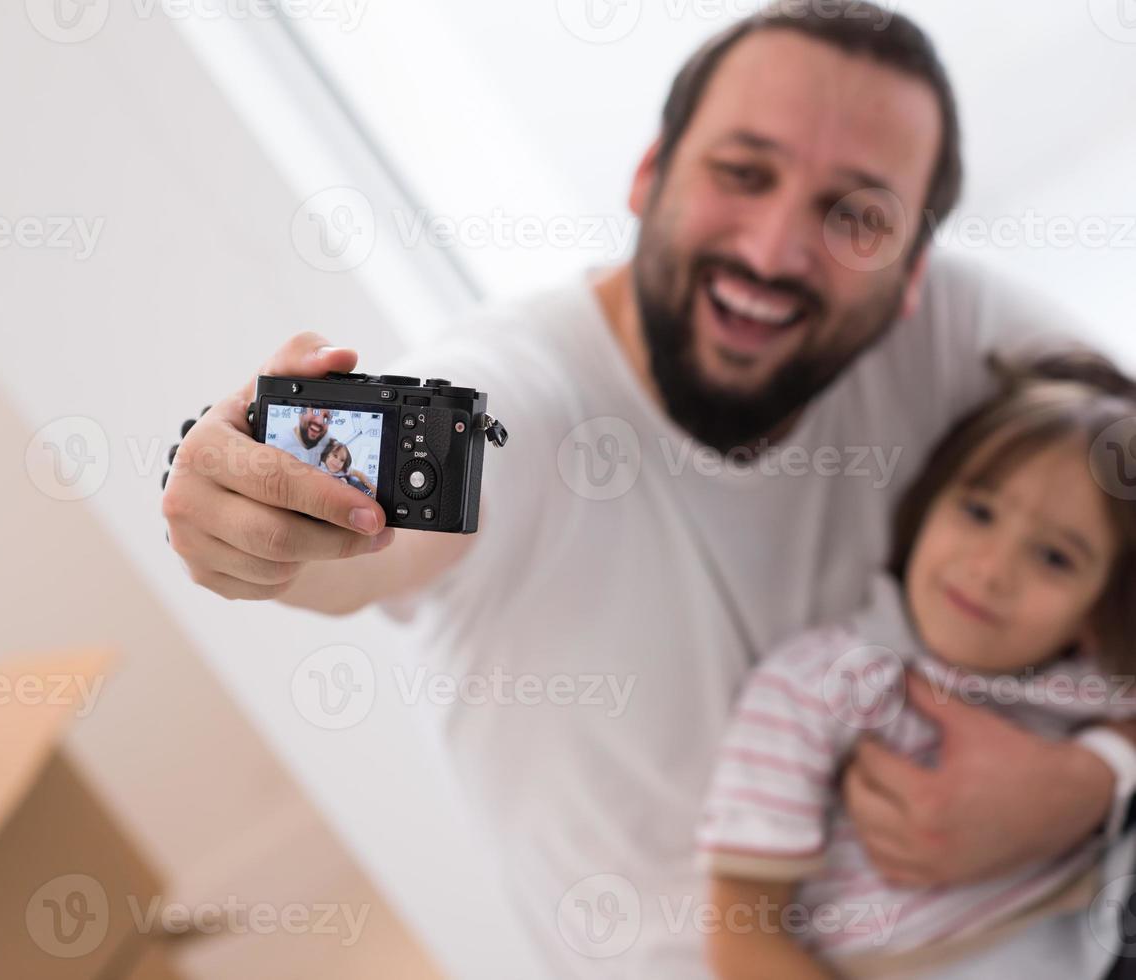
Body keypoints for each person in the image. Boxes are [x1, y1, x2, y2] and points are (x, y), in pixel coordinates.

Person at [162, 2, 1136, 974]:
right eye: (740, 172)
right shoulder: (524, 396)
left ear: (913, 268)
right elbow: (382, 500)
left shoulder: (952, 328)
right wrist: (262, 510)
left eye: (855, 216)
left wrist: (1094, 773)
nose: (769, 251)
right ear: (647, 173)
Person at [701, 353, 1136, 979]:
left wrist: (1107, 766)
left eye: (1053, 558)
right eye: (979, 513)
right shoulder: (818, 683)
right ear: (927, 504)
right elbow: (741, 932)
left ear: (1097, 614)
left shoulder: (1095, 688)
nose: (990, 569)